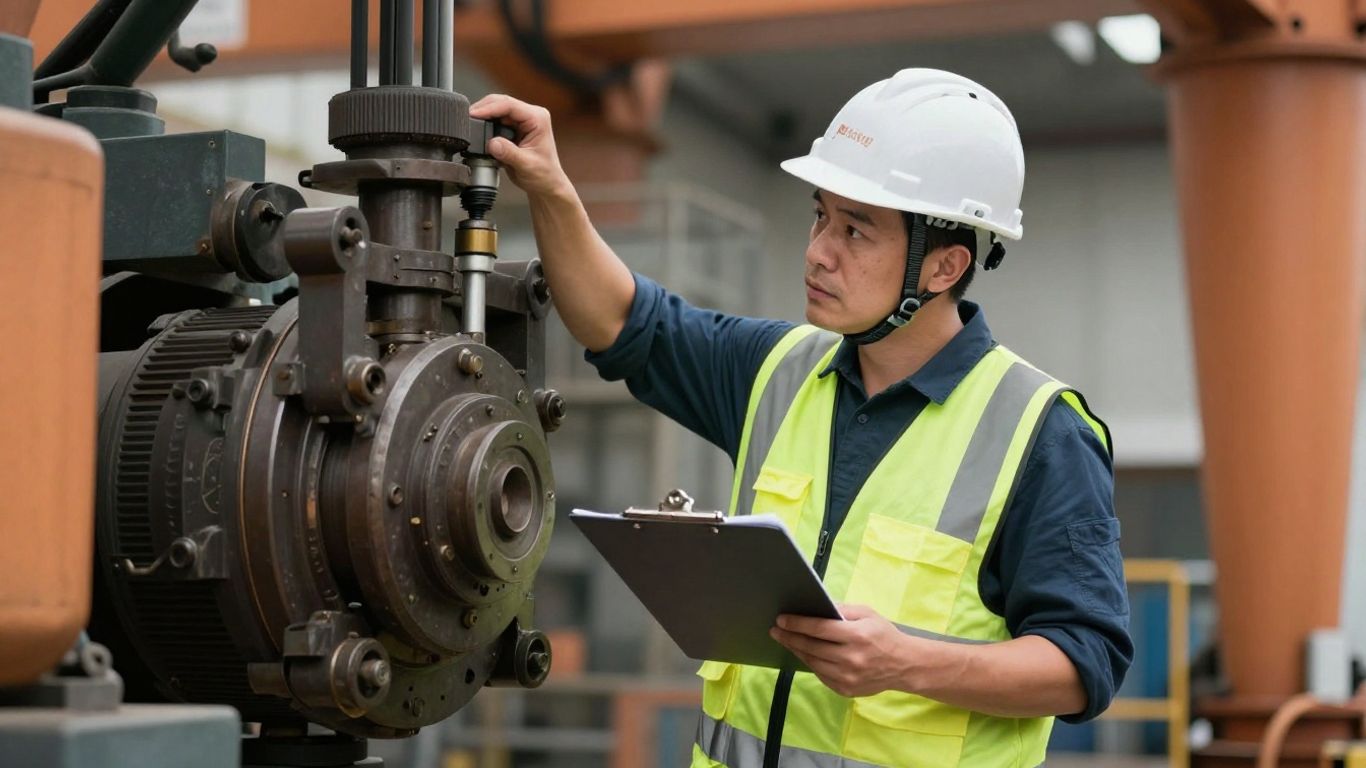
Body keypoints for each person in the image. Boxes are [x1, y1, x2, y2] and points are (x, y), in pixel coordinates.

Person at [470, 68, 1131, 768]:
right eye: (821, 214)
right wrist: (551, 188)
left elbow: (1084, 661)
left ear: (944, 267)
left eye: (856, 229)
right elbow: (620, 320)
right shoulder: (778, 371)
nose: (818, 249)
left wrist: (907, 662)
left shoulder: (1040, 433)